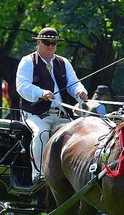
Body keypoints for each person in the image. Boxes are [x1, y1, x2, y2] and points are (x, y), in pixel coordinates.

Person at [16, 27, 88, 184]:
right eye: (47, 42)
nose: (50, 47)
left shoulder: (63, 62)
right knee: (42, 134)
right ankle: (39, 175)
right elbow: (22, 86)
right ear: (38, 42)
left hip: (62, 114)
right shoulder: (28, 61)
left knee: (81, 137)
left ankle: (75, 176)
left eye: (54, 43)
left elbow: (73, 83)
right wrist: (41, 92)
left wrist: (80, 91)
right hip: (35, 113)